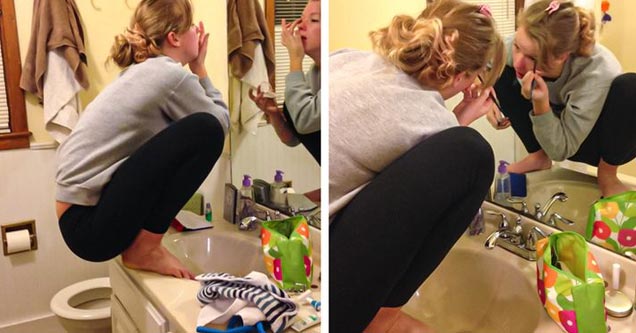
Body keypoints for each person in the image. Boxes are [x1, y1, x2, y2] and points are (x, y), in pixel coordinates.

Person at [329, 1, 504, 332]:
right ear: (466, 76)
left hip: (324, 240)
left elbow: (396, 149)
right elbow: (430, 155)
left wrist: (455, 119)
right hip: (336, 293)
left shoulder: (349, 58)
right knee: (473, 154)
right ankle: (382, 319)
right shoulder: (431, 120)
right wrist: (458, 125)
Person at [55, 0, 229, 279]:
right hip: (89, 226)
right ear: (174, 37)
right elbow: (220, 125)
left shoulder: (142, 72)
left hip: (80, 217)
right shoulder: (169, 75)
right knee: (205, 129)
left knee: (195, 129)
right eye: (193, 27)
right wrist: (200, 68)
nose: (198, 32)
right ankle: (145, 249)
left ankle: (145, 245)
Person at [489, 0, 636, 197]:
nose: (518, 61)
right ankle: (538, 156)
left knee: (630, 87)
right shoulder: (522, 47)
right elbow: (486, 58)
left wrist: (540, 104)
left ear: (563, 57)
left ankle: (608, 174)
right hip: (554, 126)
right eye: (517, 46)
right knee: (501, 71)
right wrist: (485, 91)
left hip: (600, 141)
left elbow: (561, 150)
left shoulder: (596, 70)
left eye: (533, 57)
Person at [249, 0, 321, 165]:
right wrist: (274, 114)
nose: (300, 26)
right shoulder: (313, 74)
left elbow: (304, 120)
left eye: (314, 20)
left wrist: (295, 58)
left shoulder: (333, 78)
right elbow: (293, 139)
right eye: (301, 19)